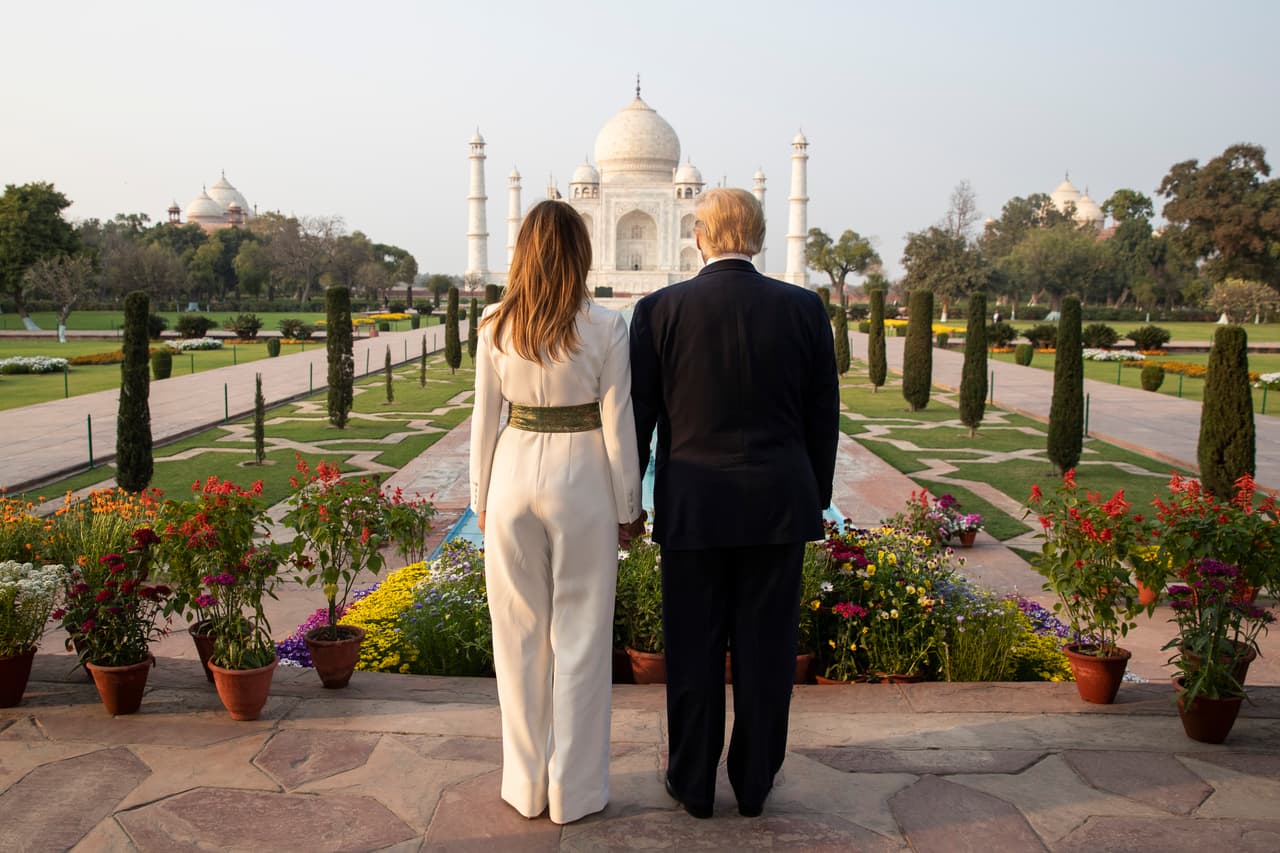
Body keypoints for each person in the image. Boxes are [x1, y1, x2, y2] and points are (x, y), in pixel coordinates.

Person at [629, 187, 839, 819]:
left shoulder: (661, 310)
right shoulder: (803, 308)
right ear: (760, 234)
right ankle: (753, 783)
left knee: (692, 650)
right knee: (767, 652)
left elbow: (640, 420)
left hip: (694, 506)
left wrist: (627, 501)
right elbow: (821, 417)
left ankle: (692, 784)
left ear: (698, 235)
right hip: (777, 505)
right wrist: (814, 496)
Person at [470, 200, 644, 825]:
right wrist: (631, 505)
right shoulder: (604, 325)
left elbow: (483, 421)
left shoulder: (495, 323)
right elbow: (618, 423)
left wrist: (480, 500)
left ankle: (525, 785)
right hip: (583, 478)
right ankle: (575, 790)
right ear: (580, 253)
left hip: (513, 472)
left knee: (516, 636)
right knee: (581, 636)